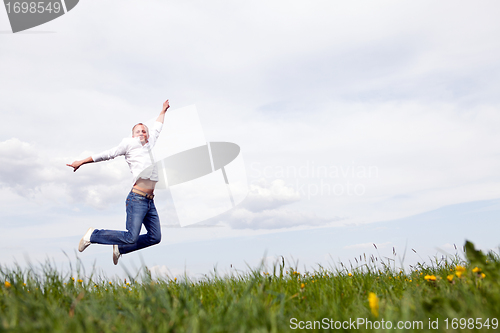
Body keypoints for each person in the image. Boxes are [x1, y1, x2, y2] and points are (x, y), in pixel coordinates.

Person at [67, 100, 170, 265]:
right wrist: (82, 161)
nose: (142, 132)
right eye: (138, 131)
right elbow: (107, 154)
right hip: (136, 199)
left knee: (155, 237)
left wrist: (163, 110)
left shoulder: (150, 143)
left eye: (145, 130)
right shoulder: (129, 144)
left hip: (150, 201)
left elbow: (158, 126)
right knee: (131, 236)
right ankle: (93, 235)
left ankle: (120, 249)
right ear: (133, 135)